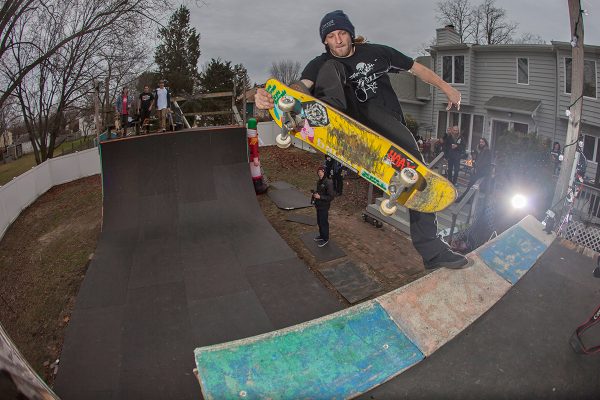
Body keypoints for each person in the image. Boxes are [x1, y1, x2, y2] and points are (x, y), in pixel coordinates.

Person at [255, 10, 468, 269]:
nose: (338, 40)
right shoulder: (320, 62)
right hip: (343, 117)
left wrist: (447, 87)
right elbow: (302, 87)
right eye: (331, 36)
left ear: (351, 34)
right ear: (325, 41)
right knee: (329, 68)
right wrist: (274, 98)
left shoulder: (377, 52)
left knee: (417, 175)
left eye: (342, 33)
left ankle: (433, 253)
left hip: (385, 123)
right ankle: (332, 115)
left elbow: (417, 68)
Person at [456, 138, 492, 202]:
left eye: (482, 142)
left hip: (481, 172)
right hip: (478, 170)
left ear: (485, 143)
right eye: (480, 142)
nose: (481, 143)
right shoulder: (482, 150)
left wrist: (476, 169)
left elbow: (484, 162)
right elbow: (476, 160)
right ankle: (467, 199)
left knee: (471, 185)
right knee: (471, 185)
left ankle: (462, 199)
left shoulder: (486, 151)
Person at [312, 165, 335, 247]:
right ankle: (321, 236)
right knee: (319, 222)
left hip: (324, 206)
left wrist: (320, 197)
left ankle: (325, 239)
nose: (320, 174)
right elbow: (320, 192)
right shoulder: (319, 181)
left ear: (324, 172)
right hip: (318, 205)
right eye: (319, 172)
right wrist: (315, 195)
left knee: (323, 222)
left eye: (321, 172)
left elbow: (331, 196)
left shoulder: (328, 182)